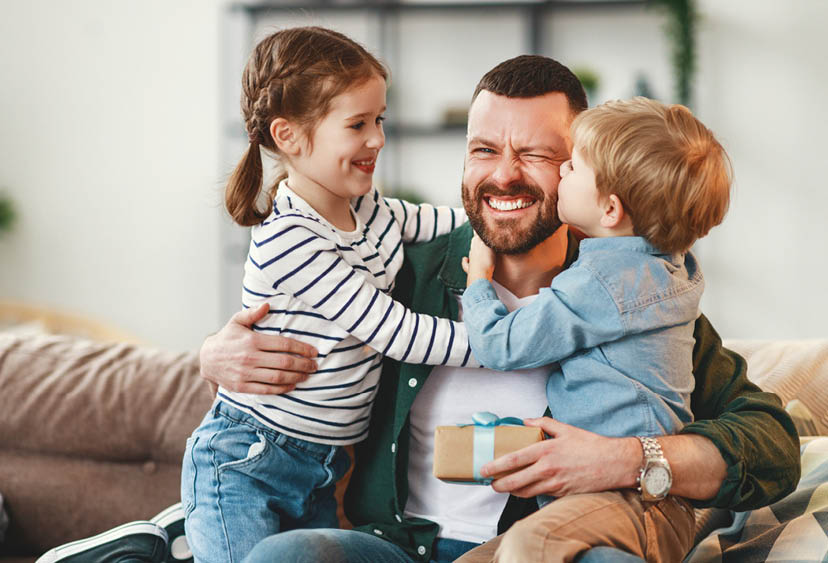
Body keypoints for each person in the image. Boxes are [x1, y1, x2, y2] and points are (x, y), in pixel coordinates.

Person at [40, 55, 799, 563]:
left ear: (587, 175)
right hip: (396, 547)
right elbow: (285, 324)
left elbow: (770, 440)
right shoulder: (398, 268)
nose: (504, 175)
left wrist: (630, 459)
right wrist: (214, 354)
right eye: (481, 149)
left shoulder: (633, 300)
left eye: (537, 154)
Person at [183, 26, 476, 563]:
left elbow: (452, 223)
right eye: (358, 125)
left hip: (322, 467)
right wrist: (500, 343)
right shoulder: (290, 239)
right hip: (249, 460)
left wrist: (528, 218)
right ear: (290, 136)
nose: (378, 139)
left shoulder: (369, 208)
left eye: (380, 120)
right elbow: (393, 330)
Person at [457, 96, 732, 561]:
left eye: (571, 167)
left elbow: (500, 345)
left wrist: (479, 281)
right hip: (628, 505)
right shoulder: (665, 269)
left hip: (634, 503)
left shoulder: (605, 283)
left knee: (532, 543)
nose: (562, 173)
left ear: (609, 210)